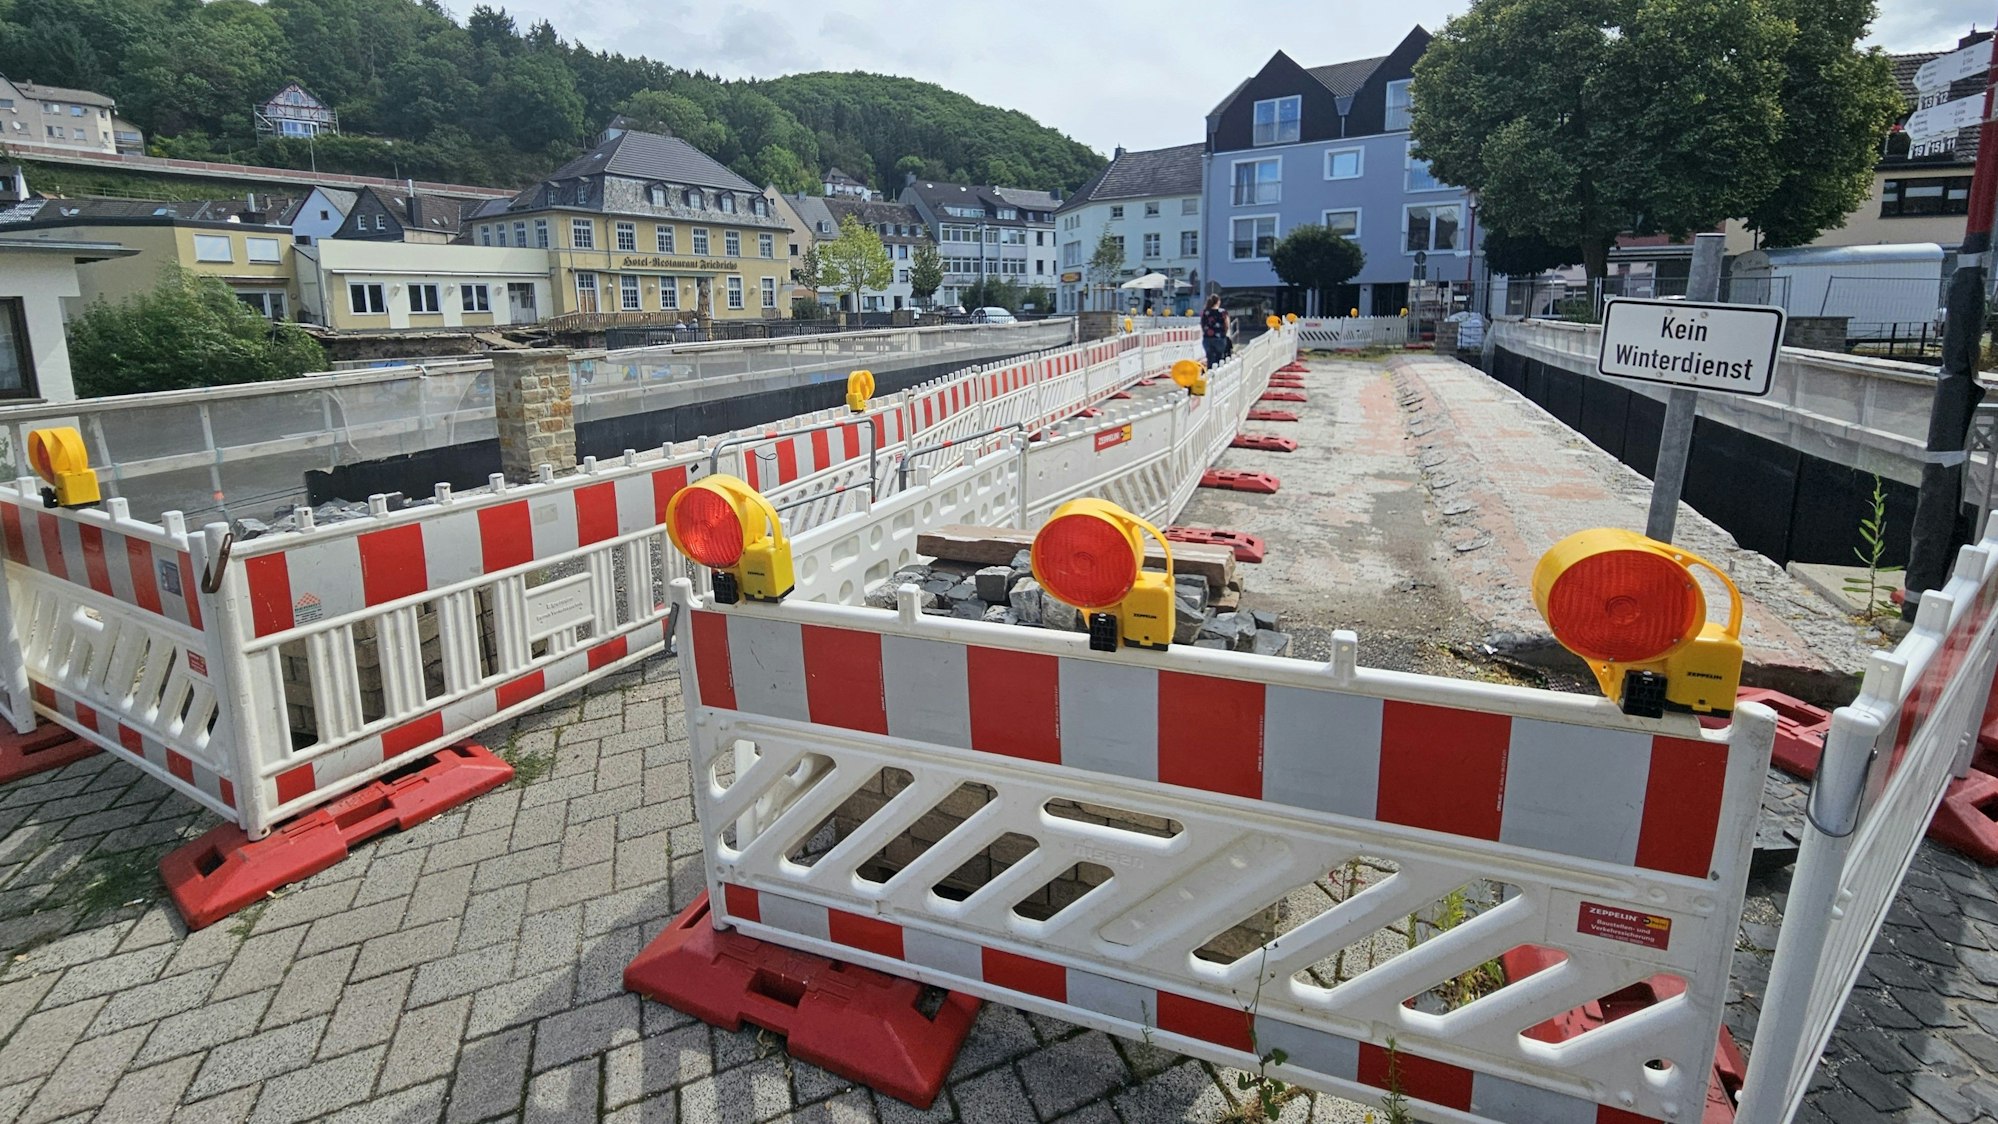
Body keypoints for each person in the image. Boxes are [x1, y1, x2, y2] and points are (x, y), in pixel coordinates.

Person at [1200, 295, 1228, 367]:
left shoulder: (1205, 312)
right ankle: (1218, 375)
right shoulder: (1222, 312)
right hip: (1220, 337)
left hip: (1207, 338)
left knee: (1210, 358)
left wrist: (1206, 332)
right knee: (1220, 358)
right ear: (1218, 301)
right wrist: (1224, 333)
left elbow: (1202, 324)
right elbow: (1226, 324)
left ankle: (1210, 375)